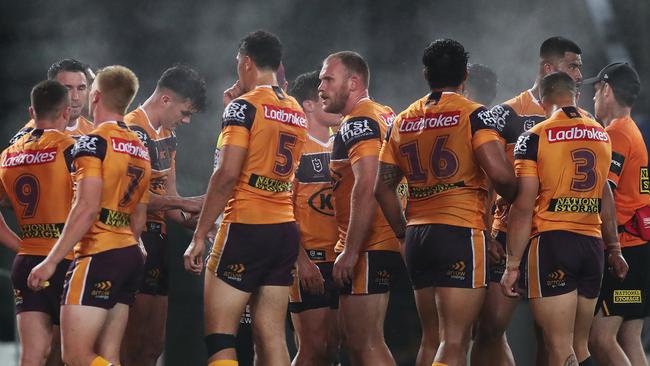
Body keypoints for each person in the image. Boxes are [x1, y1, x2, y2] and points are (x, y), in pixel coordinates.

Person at [374, 38, 517, 366]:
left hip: (418, 237)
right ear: (465, 74)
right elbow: (501, 176)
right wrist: (516, 193)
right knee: (455, 342)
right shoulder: (474, 114)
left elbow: (381, 189)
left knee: (432, 339)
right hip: (458, 233)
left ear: (426, 75)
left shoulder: (403, 119)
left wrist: (401, 234)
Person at [183, 30, 307, 365]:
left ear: (247, 62)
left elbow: (226, 174)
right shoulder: (296, 109)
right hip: (283, 229)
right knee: (272, 340)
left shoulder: (244, 107)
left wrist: (198, 236)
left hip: (245, 227)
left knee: (221, 339)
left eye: (239, 63)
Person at [473, 36, 590, 366]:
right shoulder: (505, 114)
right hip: (508, 234)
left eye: (580, 67)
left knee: (550, 338)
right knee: (490, 329)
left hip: (554, 237)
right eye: (573, 66)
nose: (580, 74)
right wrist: (483, 230)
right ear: (549, 68)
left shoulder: (580, 119)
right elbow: (482, 176)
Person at [500, 71, 628, 366]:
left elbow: (522, 206)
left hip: (553, 243)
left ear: (543, 101)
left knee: (558, 346)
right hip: (592, 246)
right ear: (576, 96)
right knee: (579, 347)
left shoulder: (534, 136)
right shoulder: (601, 133)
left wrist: (512, 265)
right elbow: (605, 194)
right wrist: (615, 248)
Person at [27, 65, 151, 366]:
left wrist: (51, 260)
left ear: (95, 97)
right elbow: (139, 216)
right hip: (129, 252)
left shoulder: (93, 142)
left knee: (77, 355)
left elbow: (86, 208)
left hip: (98, 252)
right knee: (109, 355)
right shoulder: (139, 145)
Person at [317, 50, 401, 366]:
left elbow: (368, 184)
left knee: (364, 344)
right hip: (383, 238)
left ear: (353, 82)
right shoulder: (385, 113)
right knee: (356, 343)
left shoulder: (359, 121)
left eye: (327, 79)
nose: (320, 87)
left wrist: (351, 250)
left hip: (368, 243)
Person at [121, 64, 207, 366]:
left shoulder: (168, 136)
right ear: (166, 99)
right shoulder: (130, 130)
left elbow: (170, 199)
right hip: (132, 240)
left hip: (160, 241)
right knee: (130, 343)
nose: (185, 120)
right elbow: (128, 199)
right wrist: (186, 204)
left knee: (153, 345)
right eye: (185, 112)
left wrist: (200, 224)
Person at [0, 80, 74, 366]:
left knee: (32, 355)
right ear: (66, 113)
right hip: (67, 260)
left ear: (32, 112)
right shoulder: (71, 149)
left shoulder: (8, 155)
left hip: (28, 260)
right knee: (77, 353)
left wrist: (22, 245)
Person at [584, 63, 649, 366]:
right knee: (628, 337)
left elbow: (603, 191)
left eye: (595, 90)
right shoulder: (631, 130)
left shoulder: (616, 134)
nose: (593, 98)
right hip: (638, 254)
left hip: (626, 256)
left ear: (607, 89)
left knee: (600, 337)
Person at [288, 70, 341, 366]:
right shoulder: (295, 147)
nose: (336, 106)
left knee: (333, 349)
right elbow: (282, 210)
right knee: (312, 349)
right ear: (308, 105)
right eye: (325, 99)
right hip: (309, 260)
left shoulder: (345, 145)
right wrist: (301, 261)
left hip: (342, 259)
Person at [11, 59, 94, 144]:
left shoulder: (94, 132)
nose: (75, 97)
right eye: (67, 89)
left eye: (81, 88)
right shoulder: (28, 137)